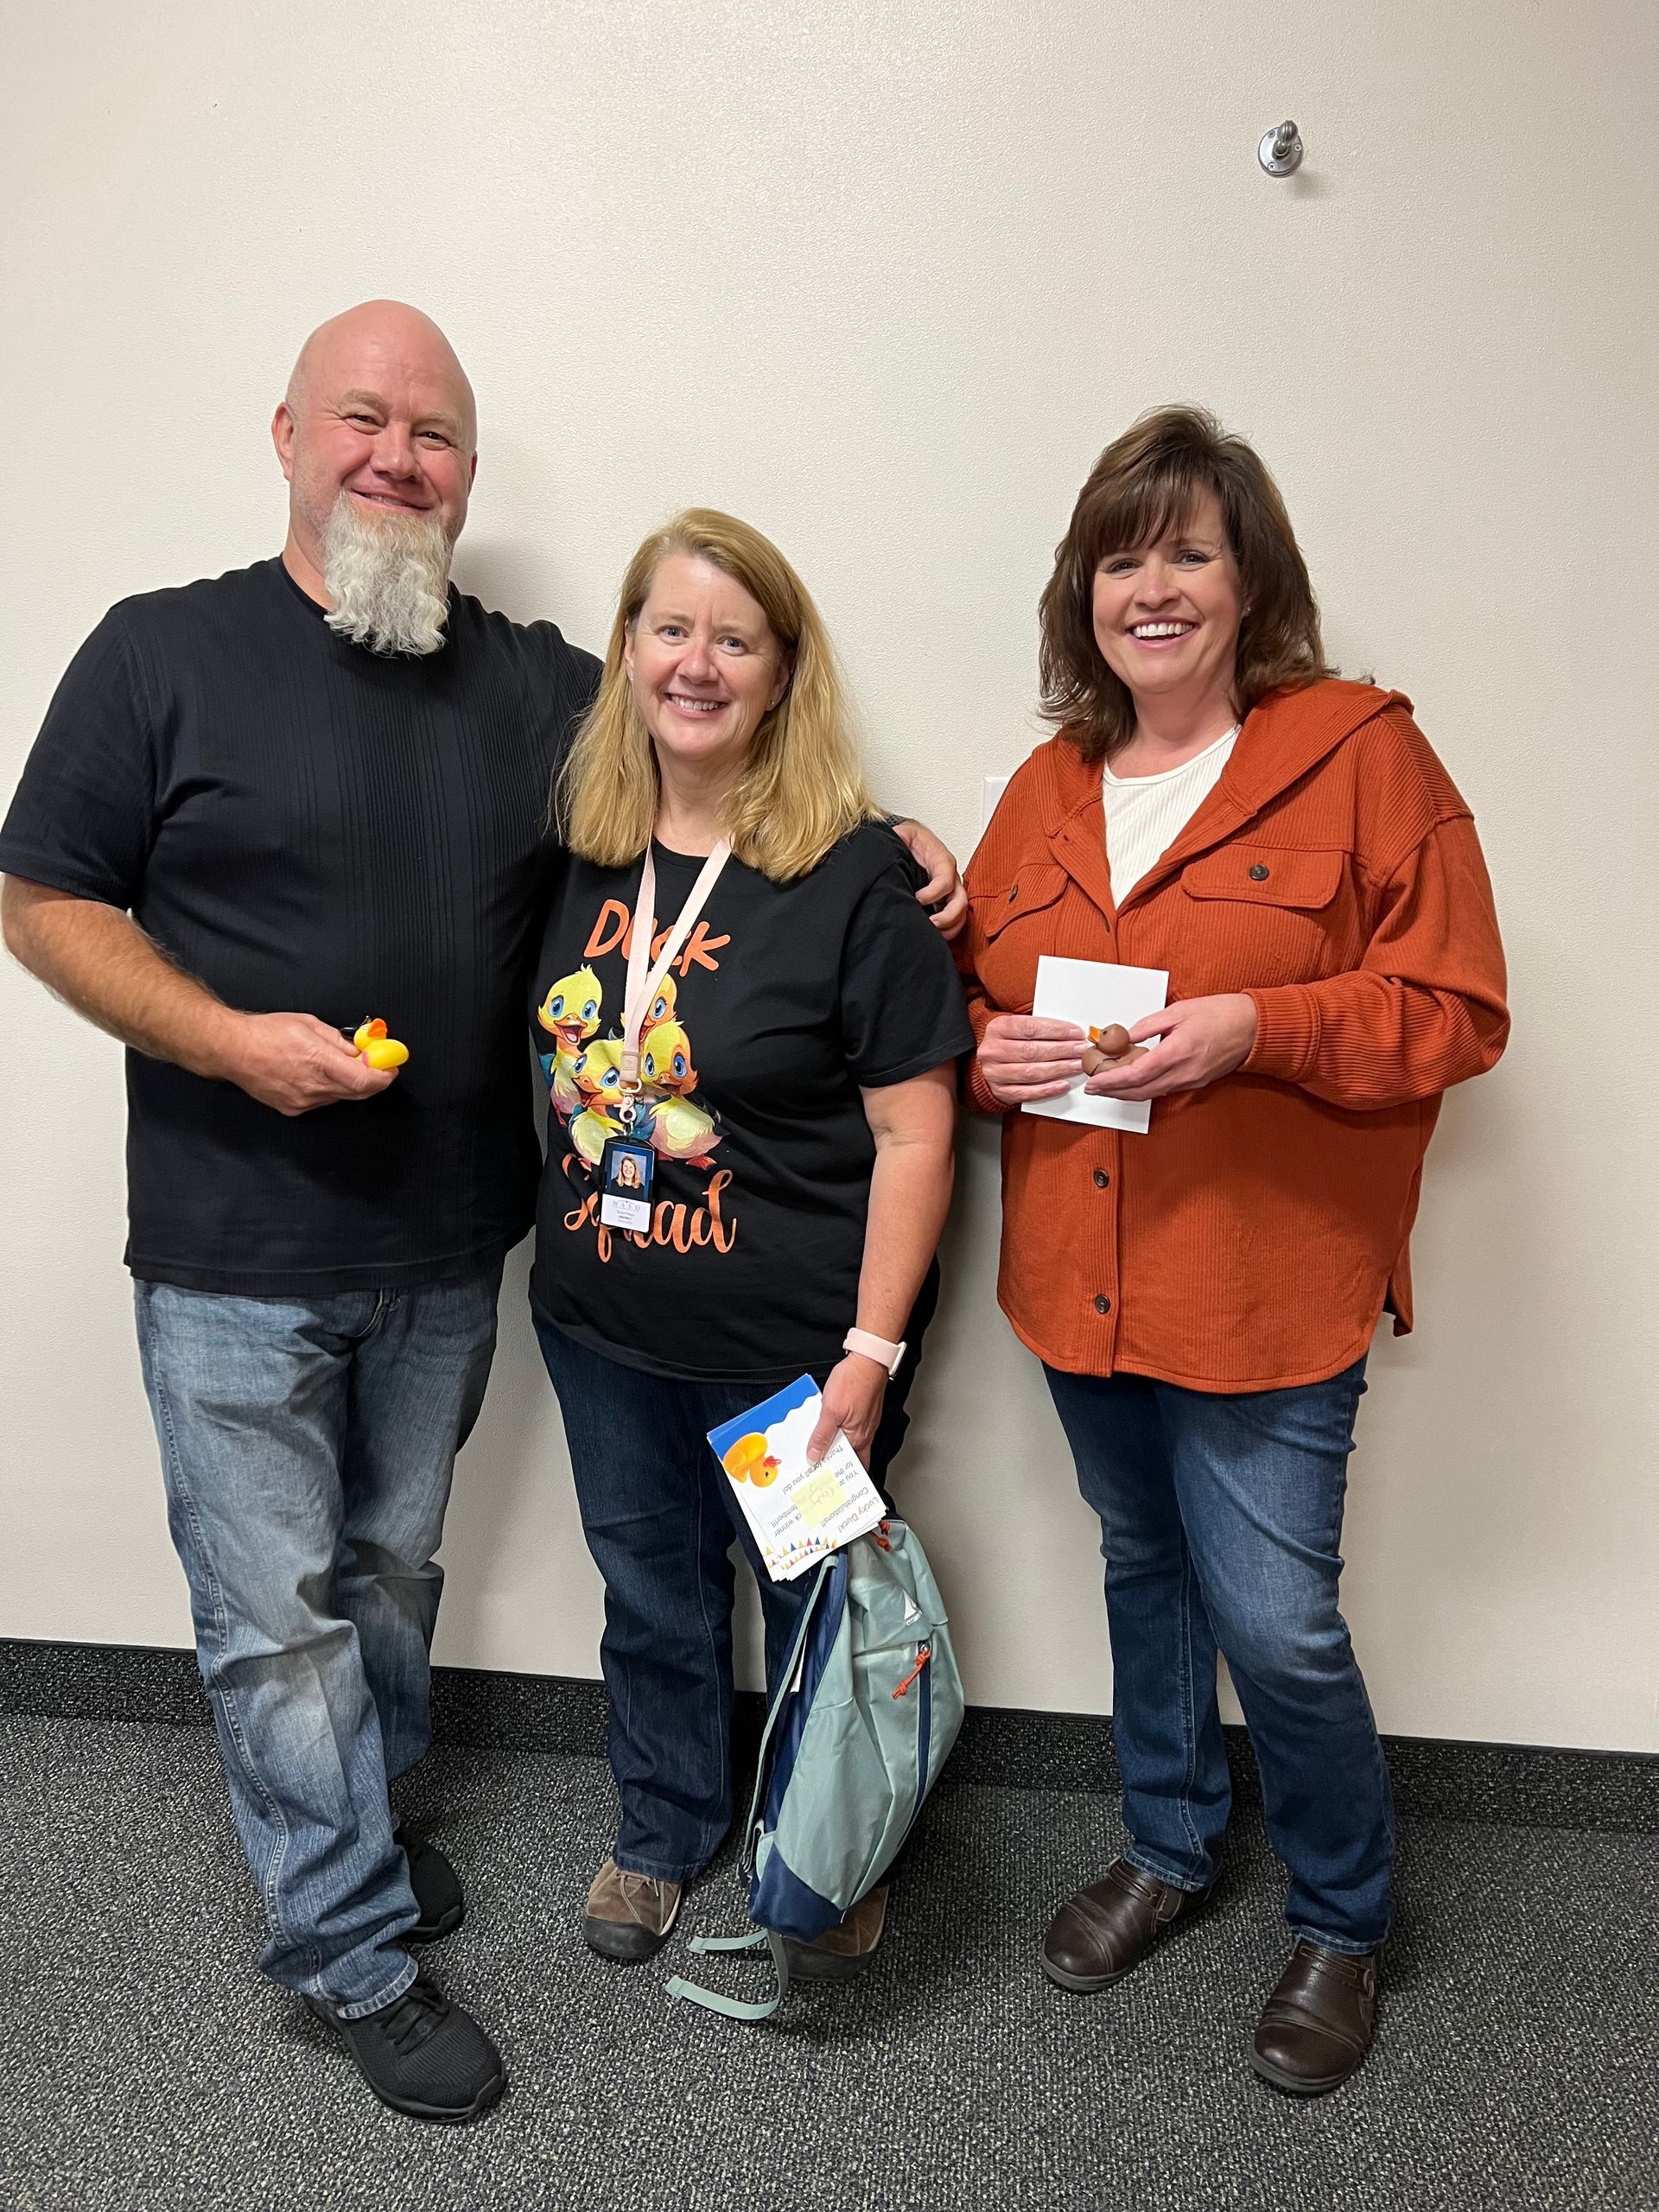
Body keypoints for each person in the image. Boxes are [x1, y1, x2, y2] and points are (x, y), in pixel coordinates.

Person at [0, 302, 965, 2124]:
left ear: (466, 474)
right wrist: (221, 1039)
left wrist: (893, 837)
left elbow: (716, 754)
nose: (397, 457)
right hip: (234, 1252)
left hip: (451, 1256)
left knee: (382, 1586)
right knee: (278, 1622)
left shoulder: (523, 686)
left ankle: (368, 1829)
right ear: (286, 430)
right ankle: (351, 1946)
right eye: (363, 420)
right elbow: (39, 894)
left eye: (435, 434)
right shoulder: (160, 654)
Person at [957, 406, 1509, 2095]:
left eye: (1190, 548)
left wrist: (1255, 1024)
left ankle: (1343, 1914)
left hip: (1267, 1286)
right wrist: (982, 1049)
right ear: (1084, 592)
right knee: (1143, 1570)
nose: (1155, 584)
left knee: (1276, 1621)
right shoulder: (1044, 789)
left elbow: (1459, 1005)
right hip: (1080, 1278)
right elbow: (972, 995)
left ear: (1249, 576)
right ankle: (1172, 1839)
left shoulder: (1360, 754)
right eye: (1124, 555)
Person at [530, 509, 974, 1977]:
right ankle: (662, 1828)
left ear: (784, 672)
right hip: (601, 1333)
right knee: (649, 1594)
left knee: (813, 1611)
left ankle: (826, 1845)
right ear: (628, 653)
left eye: (736, 637)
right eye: (671, 630)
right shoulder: (580, 852)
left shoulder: (858, 882)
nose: (698, 663)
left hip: (790, 1364)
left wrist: (869, 1355)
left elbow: (917, 1135)